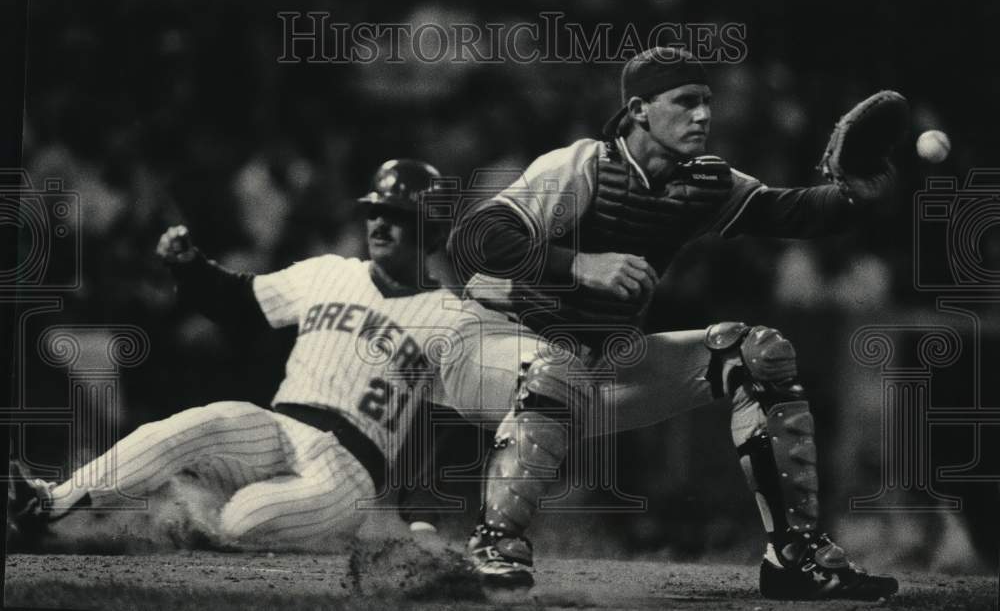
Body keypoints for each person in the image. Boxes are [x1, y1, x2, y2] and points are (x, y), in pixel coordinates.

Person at [443, 46, 904, 601]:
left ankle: (794, 556)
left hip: (595, 367)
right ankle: (494, 543)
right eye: (685, 102)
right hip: (492, 345)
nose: (704, 115)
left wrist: (857, 198)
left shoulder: (704, 182)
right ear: (639, 109)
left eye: (707, 102)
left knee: (756, 353)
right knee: (554, 365)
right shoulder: (581, 165)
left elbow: (792, 212)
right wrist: (578, 264)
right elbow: (472, 240)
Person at [7, 158, 463, 551]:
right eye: (375, 211)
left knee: (244, 520)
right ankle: (47, 505)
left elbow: (444, 428)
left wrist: (422, 518)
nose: (380, 223)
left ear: (433, 232)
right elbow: (240, 300)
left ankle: (187, 519)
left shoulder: (449, 316)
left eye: (398, 215)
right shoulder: (329, 271)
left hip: (346, 473)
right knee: (194, 425)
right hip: (277, 428)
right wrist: (191, 268)